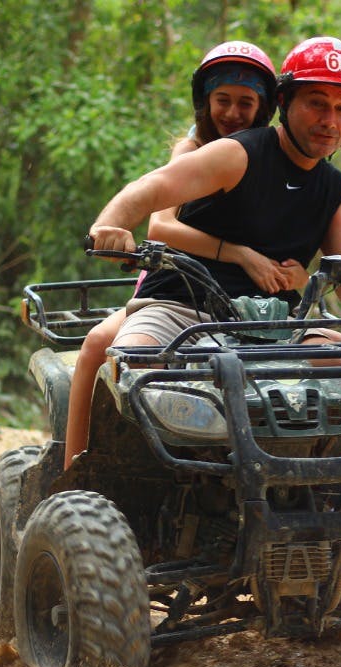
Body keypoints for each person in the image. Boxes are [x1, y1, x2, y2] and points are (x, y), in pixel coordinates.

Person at [68, 36, 341, 468]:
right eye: (317, 103)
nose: (329, 120)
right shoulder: (238, 153)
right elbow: (151, 188)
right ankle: (80, 477)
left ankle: (331, 483)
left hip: (277, 324)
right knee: (133, 364)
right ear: (285, 103)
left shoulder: (334, 189)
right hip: (180, 309)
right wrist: (109, 224)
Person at [66, 40, 283, 468]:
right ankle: (74, 467)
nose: (233, 113)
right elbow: (161, 227)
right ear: (205, 102)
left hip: (242, 301)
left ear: (263, 107)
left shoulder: (270, 158)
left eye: (246, 102)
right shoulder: (192, 148)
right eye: (223, 100)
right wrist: (241, 255)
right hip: (176, 287)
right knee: (96, 345)